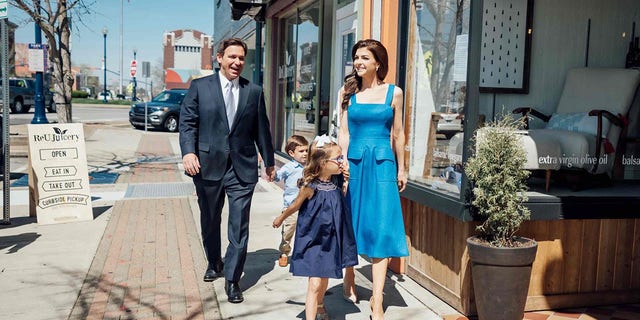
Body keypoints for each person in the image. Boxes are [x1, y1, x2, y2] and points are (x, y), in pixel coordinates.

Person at [179, 37, 275, 304]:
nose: (237, 62)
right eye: (232, 57)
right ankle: (214, 261)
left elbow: (261, 129)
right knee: (210, 220)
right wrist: (188, 152)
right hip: (207, 166)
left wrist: (268, 161)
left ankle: (233, 279)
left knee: (239, 225)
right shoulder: (200, 87)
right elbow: (187, 123)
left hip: (242, 169)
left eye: (242, 58)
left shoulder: (253, 91)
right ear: (219, 58)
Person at [337, 39, 409, 320]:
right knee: (351, 222)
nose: (358, 62)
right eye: (356, 57)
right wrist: (342, 162)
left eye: (364, 57)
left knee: (380, 227)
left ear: (378, 62)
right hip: (353, 164)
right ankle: (349, 274)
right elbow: (343, 132)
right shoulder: (348, 92)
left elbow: (399, 133)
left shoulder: (394, 92)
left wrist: (401, 168)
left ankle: (377, 298)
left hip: (382, 164)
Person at [272, 136, 357, 320]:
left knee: (324, 277)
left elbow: (340, 202)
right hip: (313, 239)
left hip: (331, 238)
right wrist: (281, 217)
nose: (342, 161)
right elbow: (295, 205)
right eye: (339, 158)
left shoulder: (336, 181)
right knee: (315, 283)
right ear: (324, 163)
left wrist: (346, 181)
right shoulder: (310, 186)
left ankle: (319, 305)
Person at [275, 135, 309, 267]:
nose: (305, 154)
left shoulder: (310, 166)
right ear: (291, 153)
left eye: (307, 150)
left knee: (306, 230)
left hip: (307, 205)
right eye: (301, 151)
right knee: (288, 231)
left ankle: (303, 253)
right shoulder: (289, 167)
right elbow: (278, 177)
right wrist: (272, 174)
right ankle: (284, 253)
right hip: (290, 207)